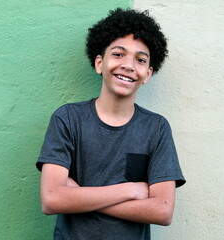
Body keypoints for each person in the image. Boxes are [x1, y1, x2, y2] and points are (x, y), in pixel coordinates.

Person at [36, 8, 186, 240]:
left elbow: (163, 211)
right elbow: (52, 200)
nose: (128, 65)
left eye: (140, 59)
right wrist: (131, 190)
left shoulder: (156, 128)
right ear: (99, 63)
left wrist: (78, 196)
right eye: (118, 54)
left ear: (147, 74)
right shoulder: (67, 119)